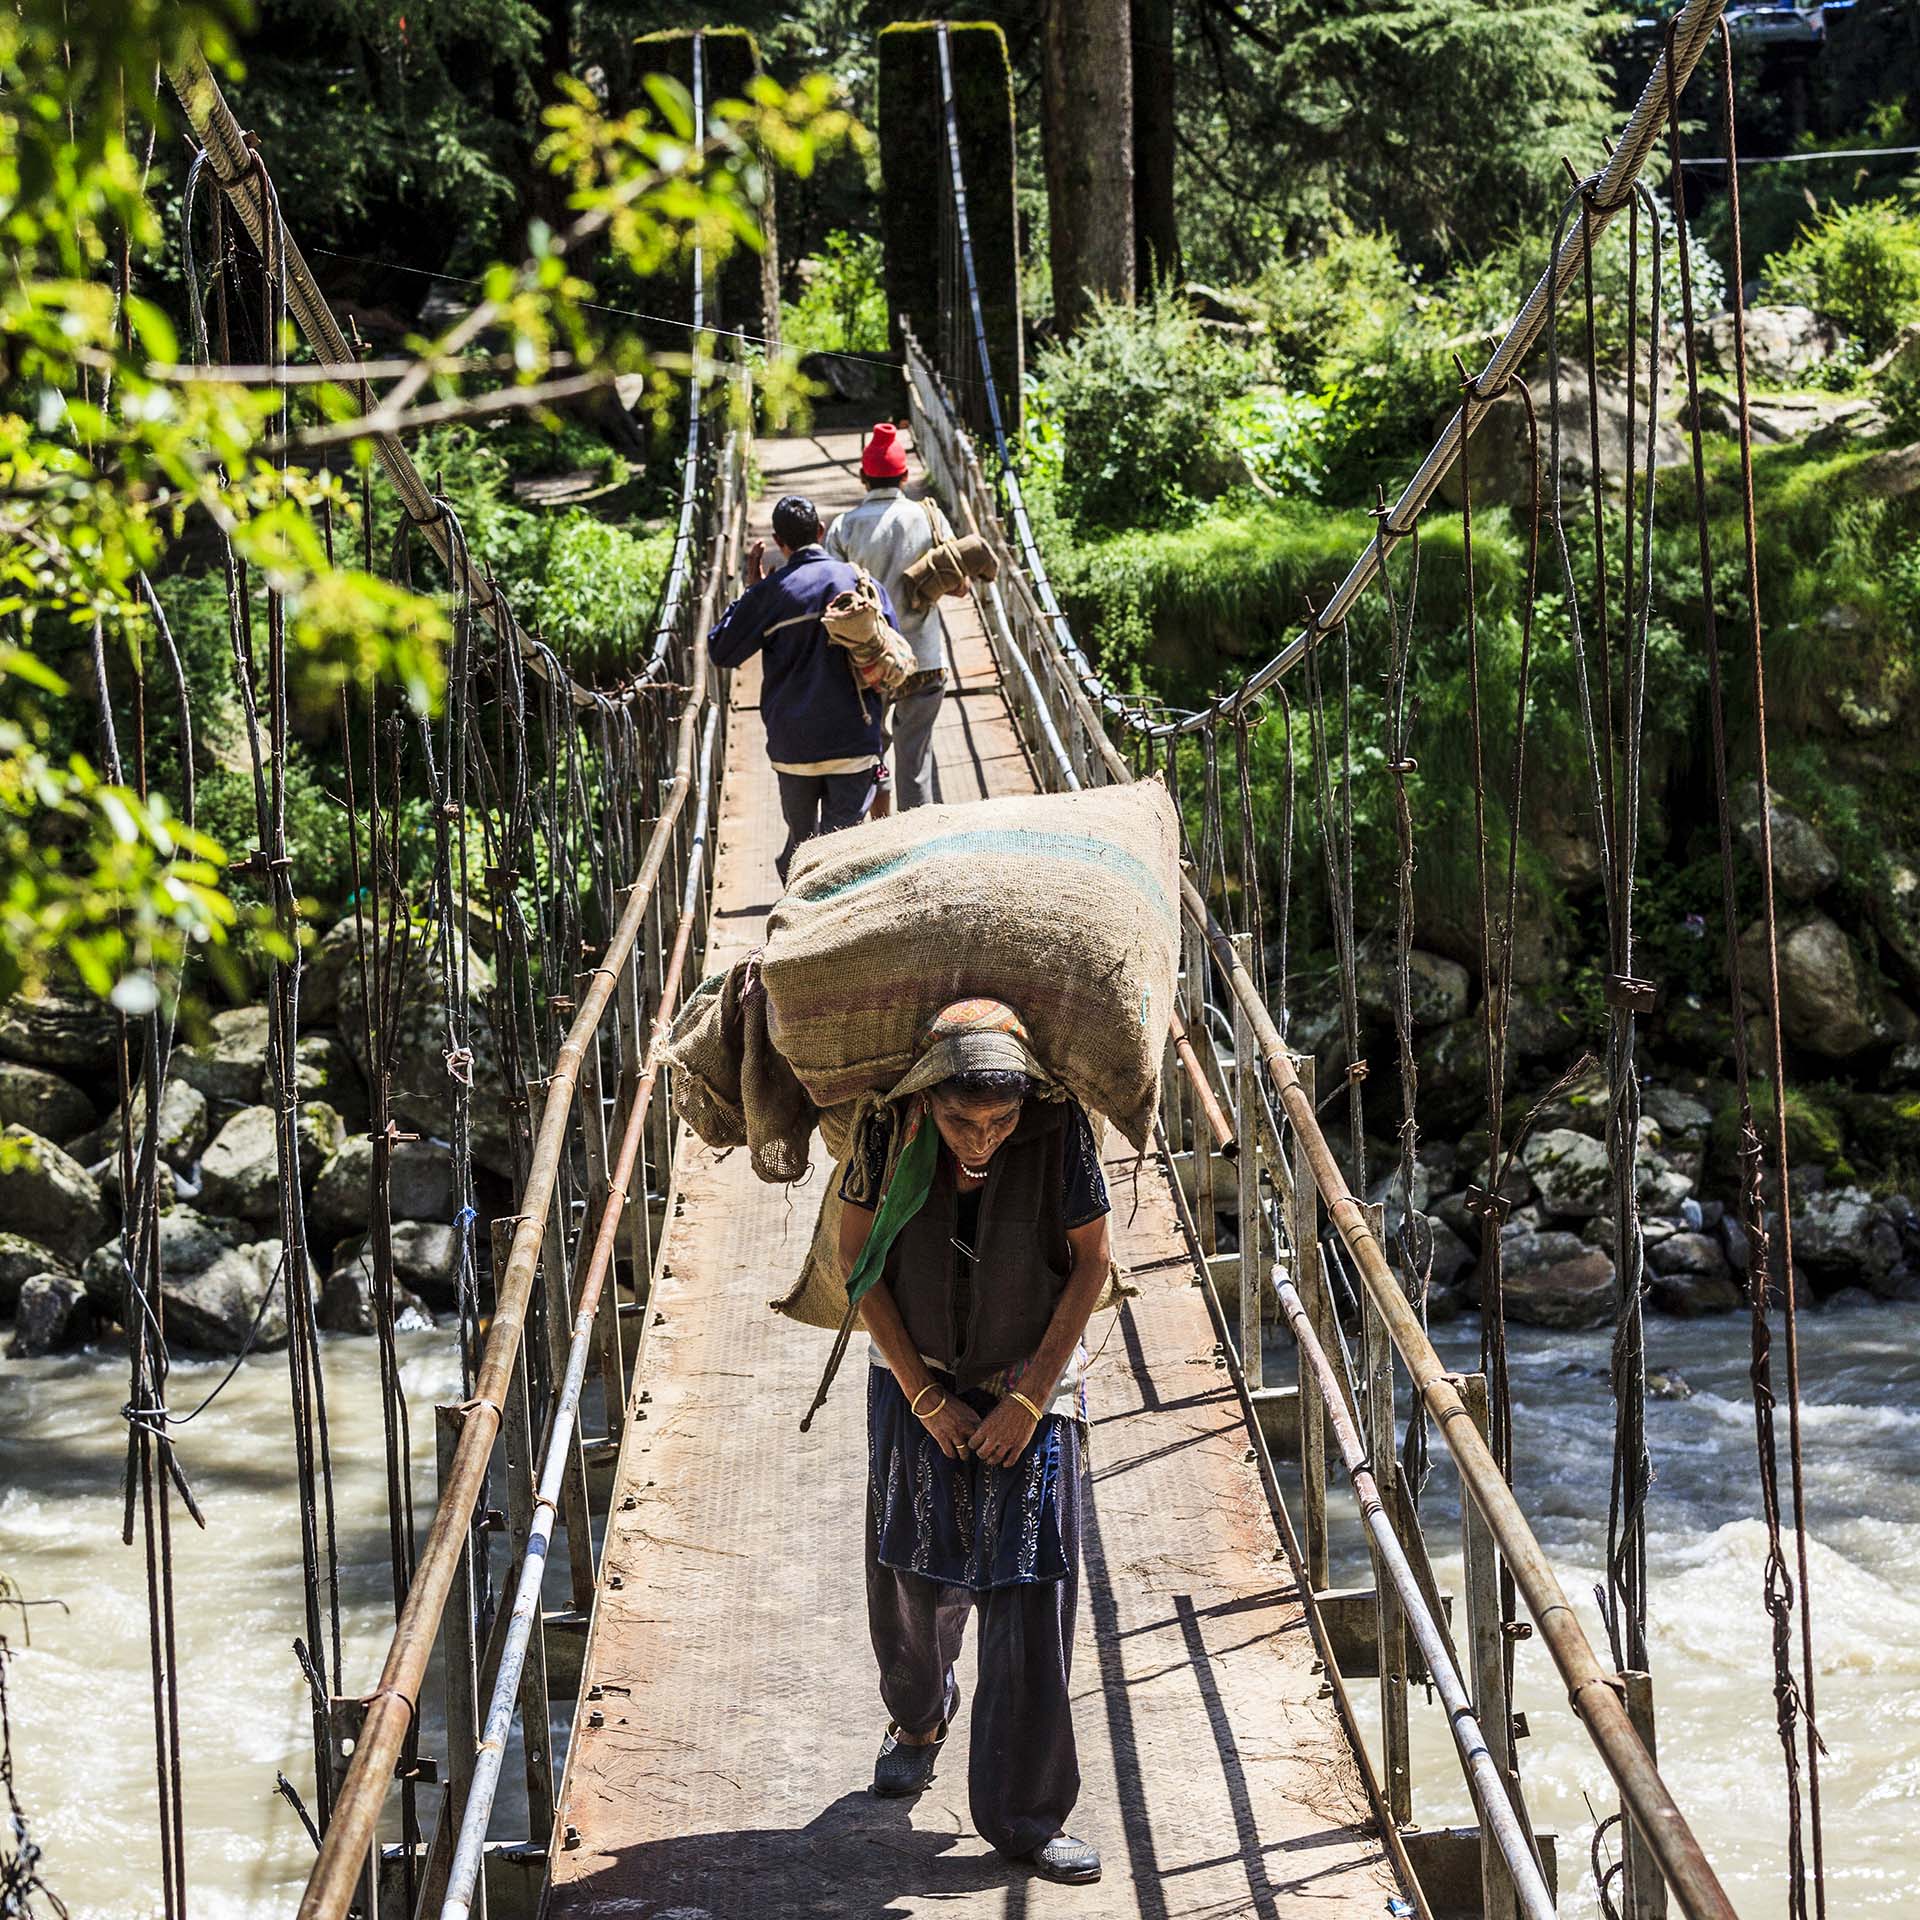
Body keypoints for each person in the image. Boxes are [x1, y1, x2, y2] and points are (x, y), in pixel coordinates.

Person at [837, 998, 1110, 1886]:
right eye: (962, 1118)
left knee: (1031, 1590)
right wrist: (920, 1392)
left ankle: (1025, 1817)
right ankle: (917, 1721)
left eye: (1000, 1119)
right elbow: (856, 1260)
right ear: (926, 1100)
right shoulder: (887, 1132)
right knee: (911, 1573)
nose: (982, 1138)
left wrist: (1029, 1399)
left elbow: (1093, 1263)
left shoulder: (1062, 1132)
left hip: (1029, 1383)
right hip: (915, 1377)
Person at [708, 492, 902, 883]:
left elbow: (722, 650)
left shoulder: (771, 593)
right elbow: (893, 644)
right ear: (821, 530)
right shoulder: (861, 582)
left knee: (802, 847)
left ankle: (800, 913)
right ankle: (837, 934)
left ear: (780, 542)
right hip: (854, 741)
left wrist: (752, 592)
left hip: (792, 747)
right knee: (842, 852)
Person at [825, 423, 957, 811]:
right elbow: (958, 583)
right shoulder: (928, 518)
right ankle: (919, 848)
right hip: (925, 660)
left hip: (866, 664)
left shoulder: (844, 527)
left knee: (869, 760)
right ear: (905, 474)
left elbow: (831, 594)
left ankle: (878, 846)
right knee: (915, 766)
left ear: (863, 477)